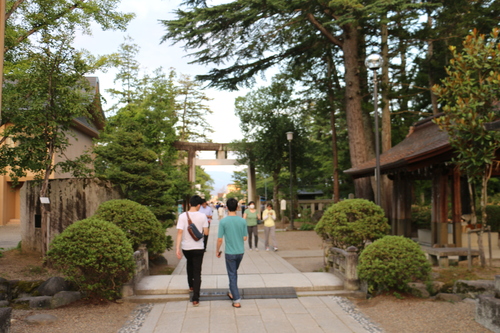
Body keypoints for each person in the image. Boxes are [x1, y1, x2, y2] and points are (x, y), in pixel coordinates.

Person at [175, 195, 209, 307]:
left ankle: (191, 285)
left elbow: (179, 232)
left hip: (186, 247)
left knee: (189, 265)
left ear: (190, 204)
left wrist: (177, 248)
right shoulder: (203, 216)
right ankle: (196, 298)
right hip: (199, 247)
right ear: (199, 205)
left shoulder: (182, 216)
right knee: (197, 271)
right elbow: (206, 232)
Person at [216, 198, 248, 308]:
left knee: (232, 274)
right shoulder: (242, 221)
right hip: (240, 252)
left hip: (229, 252)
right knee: (233, 272)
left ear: (226, 208)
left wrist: (217, 250)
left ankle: (236, 300)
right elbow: (245, 238)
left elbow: (220, 239)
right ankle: (231, 291)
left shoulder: (223, 222)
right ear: (238, 208)